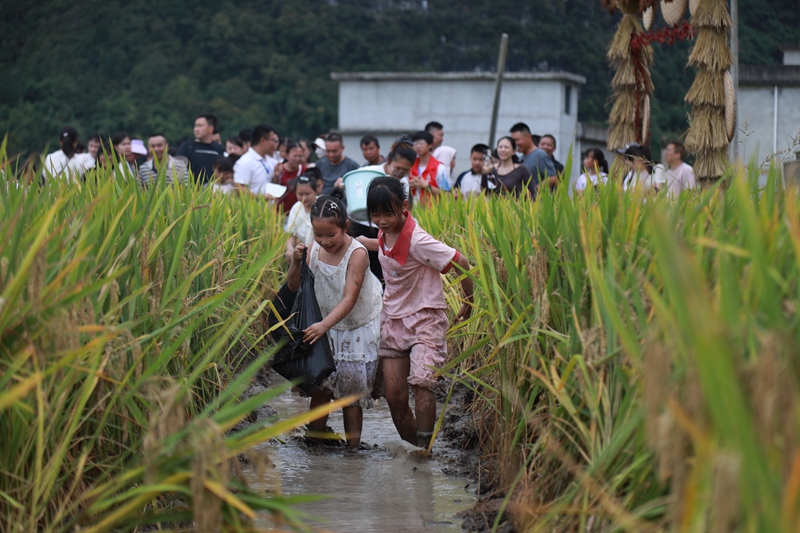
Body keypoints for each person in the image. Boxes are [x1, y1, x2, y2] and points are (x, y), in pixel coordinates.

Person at [366, 176, 473, 449]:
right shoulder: (384, 231)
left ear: (403, 206)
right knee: (395, 396)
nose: (381, 220)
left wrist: (468, 301)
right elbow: (382, 244)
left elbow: (460, 261)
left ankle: (425, 451)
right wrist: (356, 241)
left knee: (423, 384)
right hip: (393, 319)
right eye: (375, 214)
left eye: (387, 214)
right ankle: (412, 449)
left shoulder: (418, 240)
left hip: (425, 318)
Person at [286, 189, 383, 449]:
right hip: (325, 323)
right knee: (320, 387)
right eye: (319, 235)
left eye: (331, 235)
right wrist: (295, 263)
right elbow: (295, 287)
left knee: (350, 395)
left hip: (356, 325)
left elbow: (350, 300)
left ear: (346, 227)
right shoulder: (313, 248)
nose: (325, 241)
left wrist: (323, 325)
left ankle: (353, 451)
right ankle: (315, 441)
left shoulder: (358, 253)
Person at [350, 140, 417, 283]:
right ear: (388, 160)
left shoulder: (403, 183)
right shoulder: (368, 173)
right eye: (398, 167)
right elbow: (350, 183)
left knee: (382, 276)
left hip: (385, 231)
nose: (401, 173)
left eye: (406, 171)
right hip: (361, 225)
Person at [233, 124, 280, 197]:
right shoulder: (245, 162)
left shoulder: (271, 161)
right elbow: (238, 188)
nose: (275, 144)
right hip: (252, 207)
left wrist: (276, 176)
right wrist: (260, 198)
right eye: (273, 140)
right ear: (263, 141)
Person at [177, 114, 225, 183]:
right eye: (195, 126)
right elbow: (176, 170)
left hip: (213, 191)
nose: (196, 129)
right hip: (191, 191)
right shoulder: (187, 146)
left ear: (211, 128)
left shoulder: (219, 148)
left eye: (200, 126)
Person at [284, 170, 320, 260]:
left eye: (307, 194)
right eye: (300, 194)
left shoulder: (323, 206)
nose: (304, 198)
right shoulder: (296, 208)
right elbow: (291, 234)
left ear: (315, 191)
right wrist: (290, 249)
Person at [509, 123, 556, 189]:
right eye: (513, 141)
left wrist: (535, 191)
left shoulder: (540, 155)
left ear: (528, 137)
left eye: (517, 140)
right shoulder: (520, 159)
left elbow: (553, 177)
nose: (515, 144)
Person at [409, 130, 450, 204]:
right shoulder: (409, 166)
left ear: (430, 145)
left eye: (421, 143)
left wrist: (426, 186)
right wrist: (408, 185)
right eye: (415, 143)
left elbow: (446, 195)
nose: (418, 146)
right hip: (412, 211)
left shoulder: (440, 168)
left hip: (431, 212)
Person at [275, 138, 308, 213]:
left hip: (298, 212)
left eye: (300, 156)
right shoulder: (280, 169)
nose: (298, 159)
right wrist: (276, 175)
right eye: (295, 156)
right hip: (280, 212)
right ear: (287, 156)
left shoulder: (305, 170)